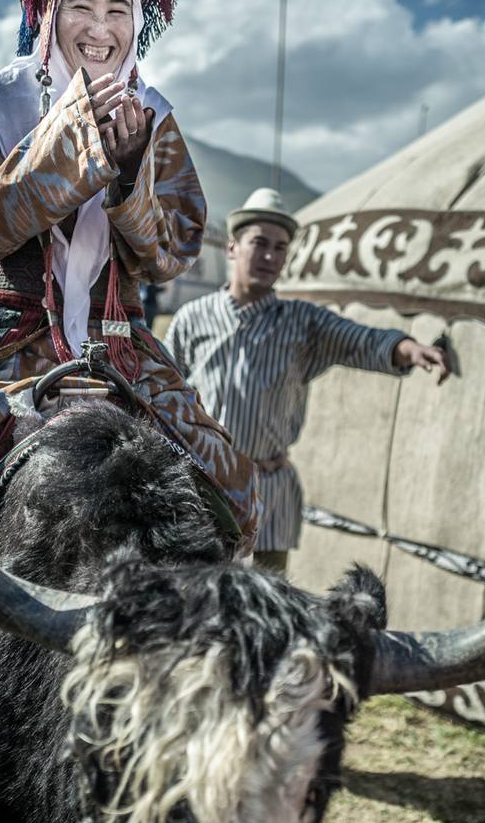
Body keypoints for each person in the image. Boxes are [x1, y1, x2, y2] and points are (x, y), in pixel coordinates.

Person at [0, 0, 259, 779]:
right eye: (82, 3)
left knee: (230, 493)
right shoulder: (3, 98)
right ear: (47, 5)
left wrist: (130, 169)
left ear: (144, 14)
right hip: (5, 339)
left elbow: (171, 252)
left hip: (122, 349)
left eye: (120, 5)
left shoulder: (158, 115)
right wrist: (61, 154)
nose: (101, 26)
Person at [167, 188, 451, 573]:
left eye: (280, 248)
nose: (270, 256)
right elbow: (166, 392)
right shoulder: (191, 319)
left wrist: (406, 348)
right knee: (201, 596)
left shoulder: (303, 323)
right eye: (259, 243)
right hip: (205, 489)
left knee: (270, 605)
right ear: (232, 248)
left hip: (268, 488)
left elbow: (359, 340)